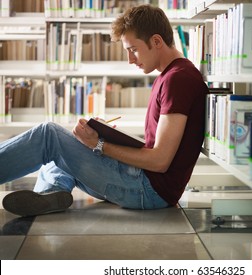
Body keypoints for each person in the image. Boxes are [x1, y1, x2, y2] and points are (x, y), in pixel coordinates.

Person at [0, 4, 209, 216]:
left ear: (156, 41)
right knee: (63, 151)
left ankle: (52, 189)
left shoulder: (179, 79)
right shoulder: (170, 75)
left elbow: (160, 161)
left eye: (133, 49)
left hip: (147, 191)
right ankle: (52, 193)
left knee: (48, 135)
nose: (130, 60)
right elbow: (156, 148)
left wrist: (99, 144)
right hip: (144, 184)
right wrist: (103, 136)